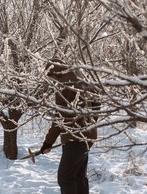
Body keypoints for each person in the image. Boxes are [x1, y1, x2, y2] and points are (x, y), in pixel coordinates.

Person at [40, 59, 100, 194]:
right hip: (88, 136)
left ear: (54, 73)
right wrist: (90, 123)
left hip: (75, 138)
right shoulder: (82, 78)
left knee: (65, 177)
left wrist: (48, 142)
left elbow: (60, 117)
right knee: (78, 176)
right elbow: (97, 101)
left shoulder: (64, 85)